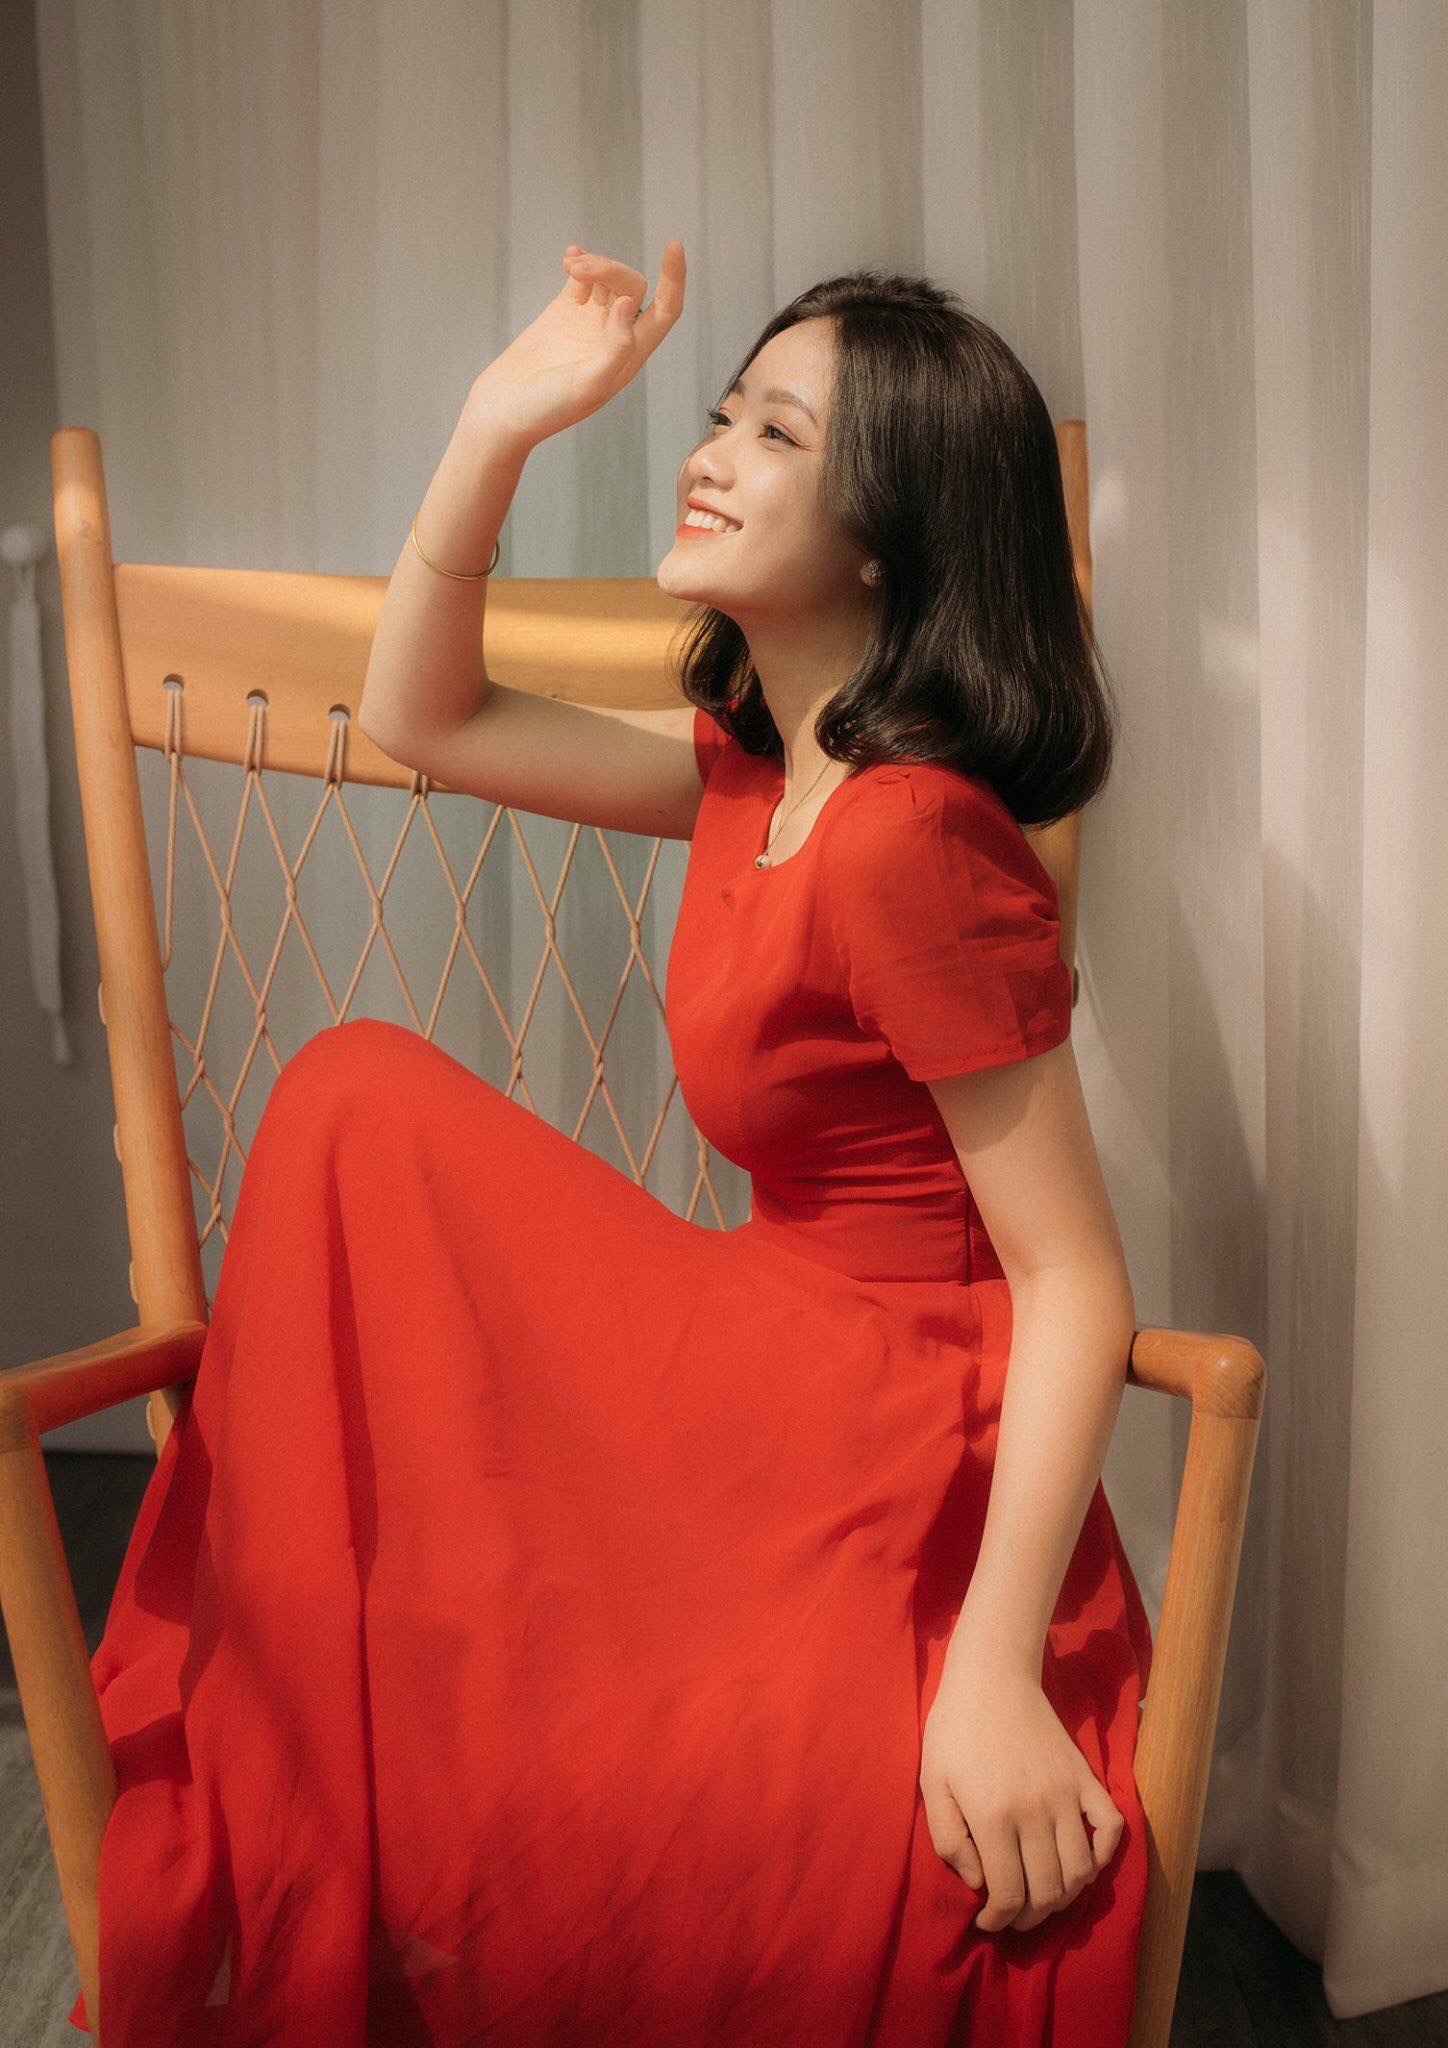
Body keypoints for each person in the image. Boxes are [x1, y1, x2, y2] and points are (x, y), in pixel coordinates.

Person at [69, 241, 1153, 2045]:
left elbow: (1076, 1280)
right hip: (772, 1361)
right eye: (723, 414)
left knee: (354, 1099)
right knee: (355, 1110)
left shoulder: (908, 841)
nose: (708, 454)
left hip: (901, 1432)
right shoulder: (761, 773)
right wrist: (497, 423)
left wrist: (988, 1669)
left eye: (777, 434)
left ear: (885, 534)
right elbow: (423, 715)